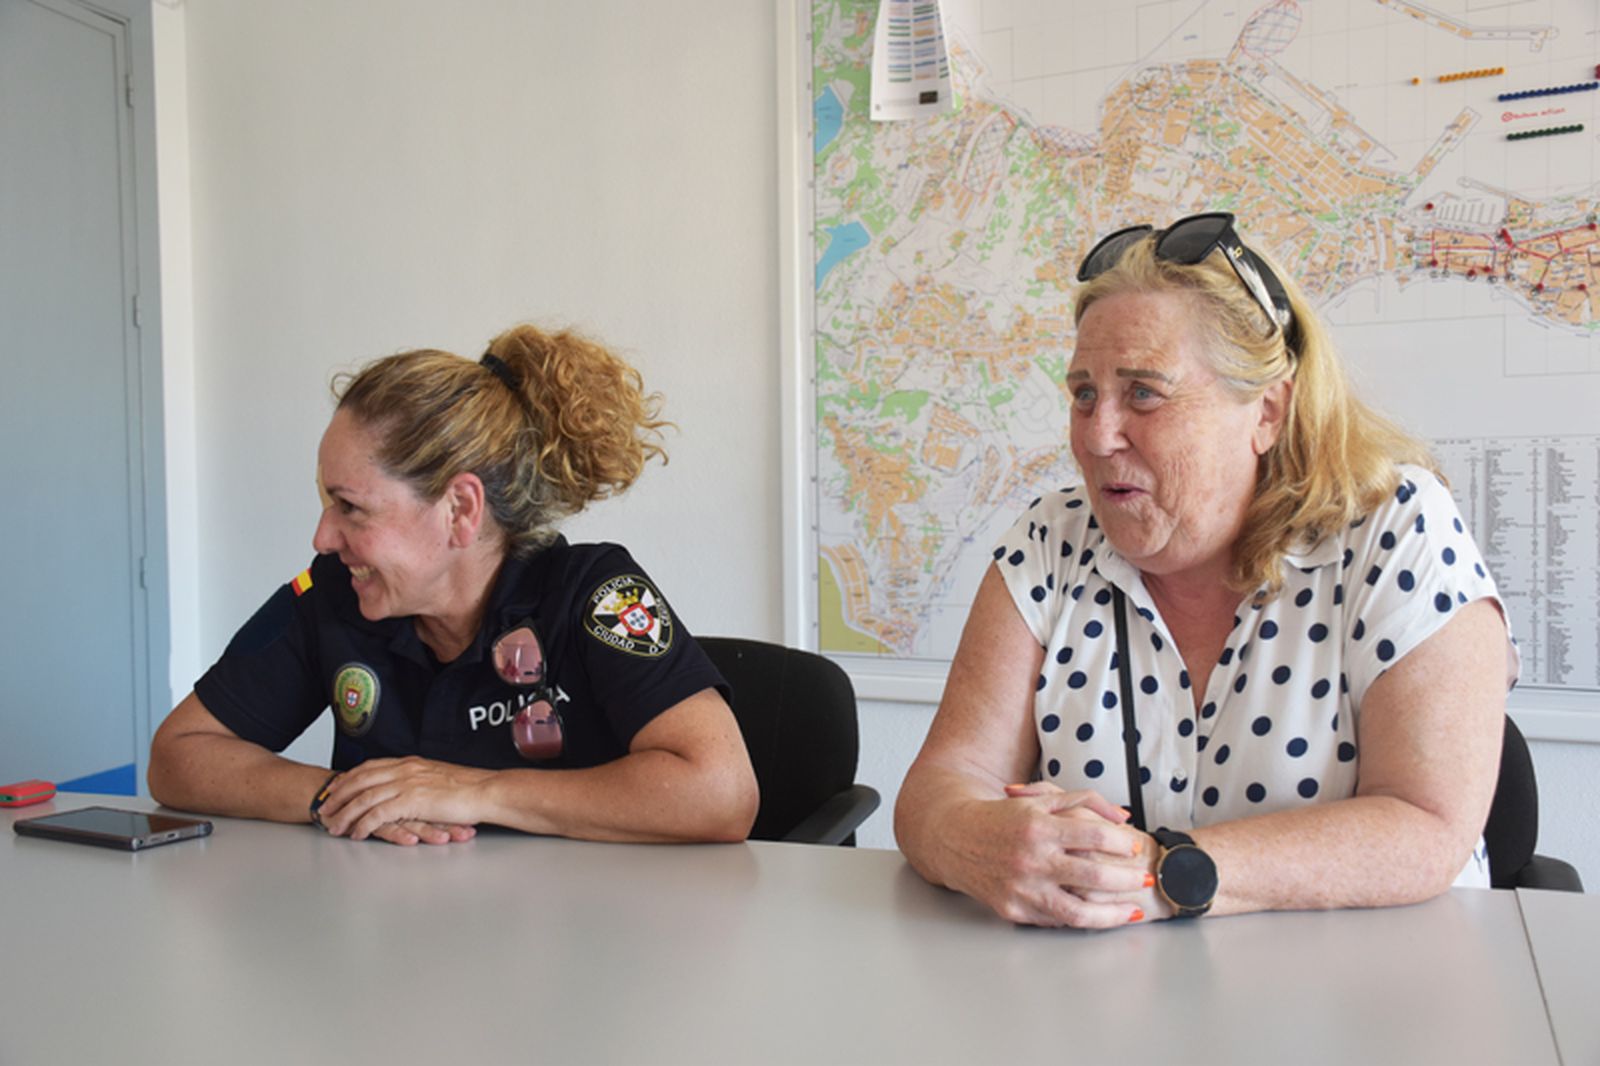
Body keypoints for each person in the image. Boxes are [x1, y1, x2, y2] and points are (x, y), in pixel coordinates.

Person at [895, 212, 1514, 928]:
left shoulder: (1396, 527)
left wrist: (1162, 873)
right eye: (1084, 394)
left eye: (1145, 394)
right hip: (1106, 1008)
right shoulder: (1051, 541)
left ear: (1267, 413)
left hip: (1376, 1004)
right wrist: (978, 840)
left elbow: (1425, 826)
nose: (1097, 436)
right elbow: (938, 787)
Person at [149, 324, 758, 846]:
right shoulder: (336, 594)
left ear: (460, 510)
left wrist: (476, 793)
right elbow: (178, 756)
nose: (323, 537)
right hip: (392, 949)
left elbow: (721, 791)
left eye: (351, 508)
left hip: (579, 952)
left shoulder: (597, 591)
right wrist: (340, 795)